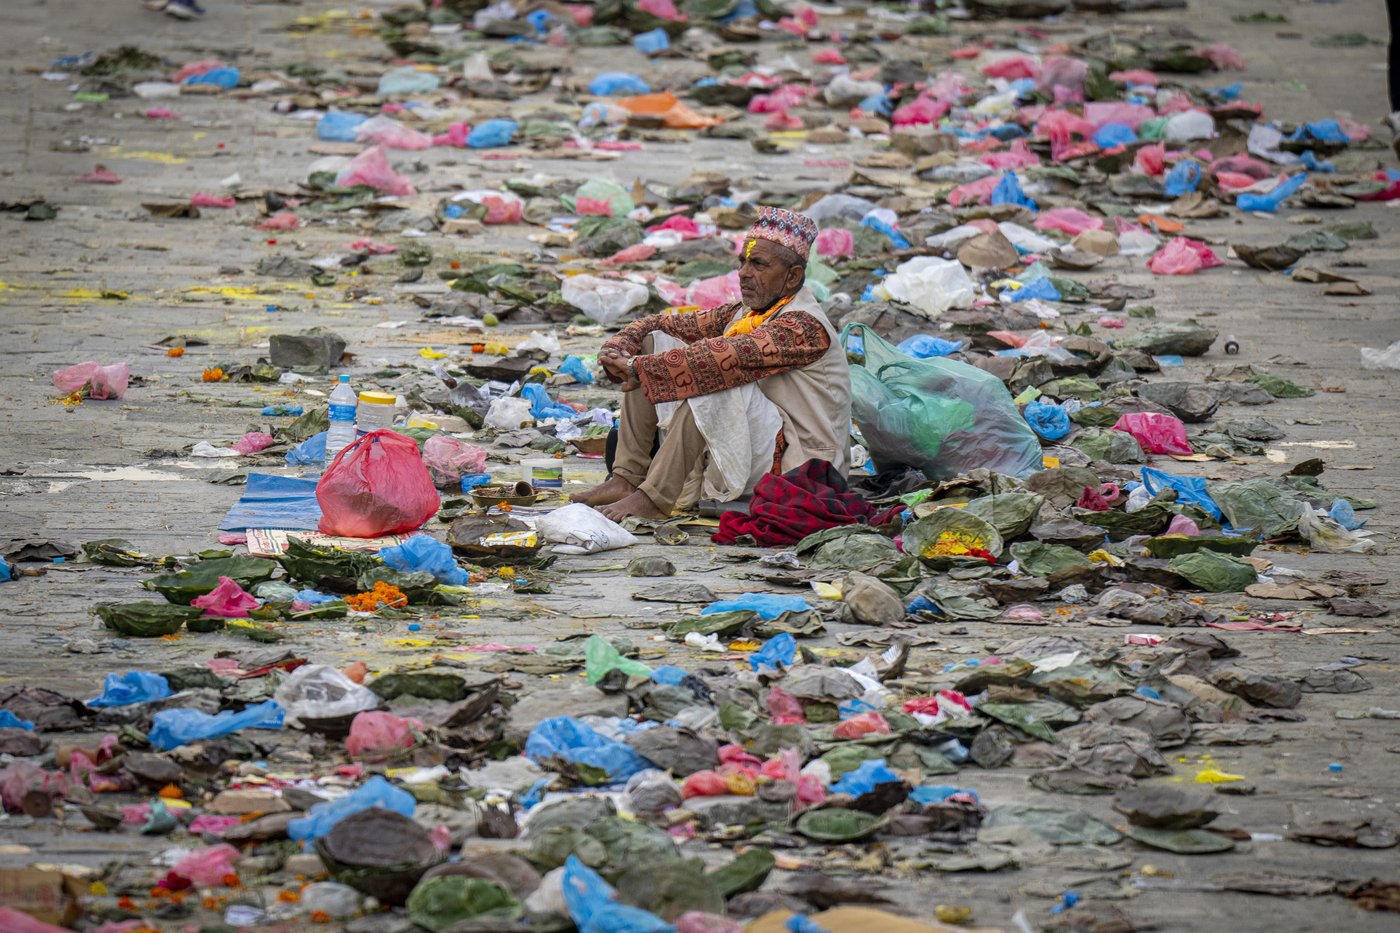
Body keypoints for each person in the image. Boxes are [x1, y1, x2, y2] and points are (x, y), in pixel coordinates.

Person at [574, 206, 851, 521]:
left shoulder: (803, 327)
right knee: (653, 341)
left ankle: (654, 498)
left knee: (711, 378)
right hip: (756, 448)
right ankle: (626, 478)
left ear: (793, 277)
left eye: (759, 264)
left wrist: (636, 368)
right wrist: (618, 349)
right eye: (742, 262)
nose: (744, 273)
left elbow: (725, 358)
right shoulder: (744, 314)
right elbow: (658, 324)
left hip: (801, 465)